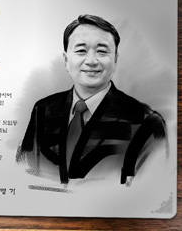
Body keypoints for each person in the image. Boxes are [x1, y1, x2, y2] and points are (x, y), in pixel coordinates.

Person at [16, 14, 168, 185]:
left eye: (102, 51)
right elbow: (23, 175)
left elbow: (150, 189)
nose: (91, 61)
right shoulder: (43, 110)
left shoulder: (146, 122)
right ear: (66, 60)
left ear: (115, 59)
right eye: (81, 51)